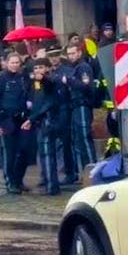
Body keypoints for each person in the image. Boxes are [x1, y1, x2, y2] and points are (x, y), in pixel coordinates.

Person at [0, 52, 31, 194]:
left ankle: (18, 180)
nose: (15, 65)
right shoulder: (1, 78)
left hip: (21, 119)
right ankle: (10, 182)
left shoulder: (23, 77)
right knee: (9, 153)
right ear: (7, 63)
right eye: (12, 62)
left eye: (17, 62)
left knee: (24, 151)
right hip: (6, 120)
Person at [26, 58, 64, 195]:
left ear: (47, 68)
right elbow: (37, 103)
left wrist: (42, 79)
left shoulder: (50, 81)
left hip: (48, 122)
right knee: (43, 154)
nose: (38, 71)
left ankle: (52, 186)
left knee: (48, 154)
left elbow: (49, 85)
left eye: (41, 67)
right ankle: (47, 182)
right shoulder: (36, 84)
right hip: (40, 122)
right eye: (35, 68)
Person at [64, 43, 97, 180]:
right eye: (69, 54)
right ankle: (85, 171)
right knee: (78, 141)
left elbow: (86, 87)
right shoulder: (73, 68)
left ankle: (91, 171)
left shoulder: (83, 67)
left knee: (84, 138)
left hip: (82, 105)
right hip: (75, 107)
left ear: (79, 53)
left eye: (73, 53)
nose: (71, 56)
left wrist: (70, 81)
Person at [47, 47, 74, 188]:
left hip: (64, 108)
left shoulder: (66, 70)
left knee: (66, 142)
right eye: (51, 56)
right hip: (52, 111)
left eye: (56, 55)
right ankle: (50, 174)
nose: (54, 59)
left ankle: (70, 172)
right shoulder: (48, 71)